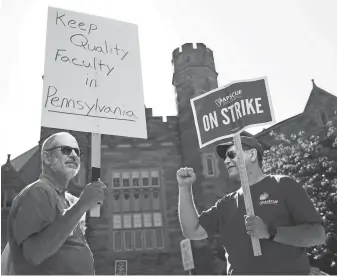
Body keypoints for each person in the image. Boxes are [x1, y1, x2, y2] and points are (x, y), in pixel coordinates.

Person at [177, 136, 326, 275]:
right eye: (224, 157)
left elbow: (317, 235)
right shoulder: (226, 203)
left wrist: (269, 232)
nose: (226, 161)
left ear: (253, 155)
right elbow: (193, 231)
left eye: (232, 155)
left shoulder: (283, 185)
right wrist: (184, 188)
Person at [6, 132, 106, 275]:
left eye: (77, 151)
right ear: (47, 157)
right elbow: (35, 253)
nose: (74, 155)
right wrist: (82, 205)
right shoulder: (37, 192)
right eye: (66, 150)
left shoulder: (69, 199)